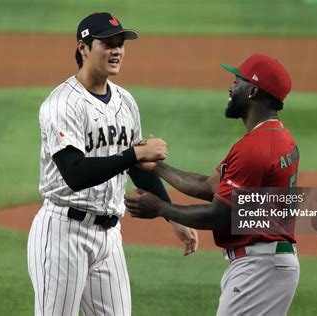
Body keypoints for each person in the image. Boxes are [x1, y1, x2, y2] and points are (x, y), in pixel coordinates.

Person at [27, 12, 198, 316]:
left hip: (109, 237)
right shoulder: (62, 104)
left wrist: (172, 217)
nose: (117, 50)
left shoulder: (126, 102)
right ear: (83, 48)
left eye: (120, 44)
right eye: (107, 43)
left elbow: (135, 169)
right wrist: (134, 154)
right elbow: (75, 173)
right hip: (62, 232)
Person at [125, 53, 300, 316]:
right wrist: (157, 167)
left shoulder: (255, 149)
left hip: (260, 266)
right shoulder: (277, 137)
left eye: (237, 81)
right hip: (268, 263)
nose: (231, 87)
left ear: (253, 92)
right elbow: (210, 186)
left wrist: (161, 208)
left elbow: (219, 215)